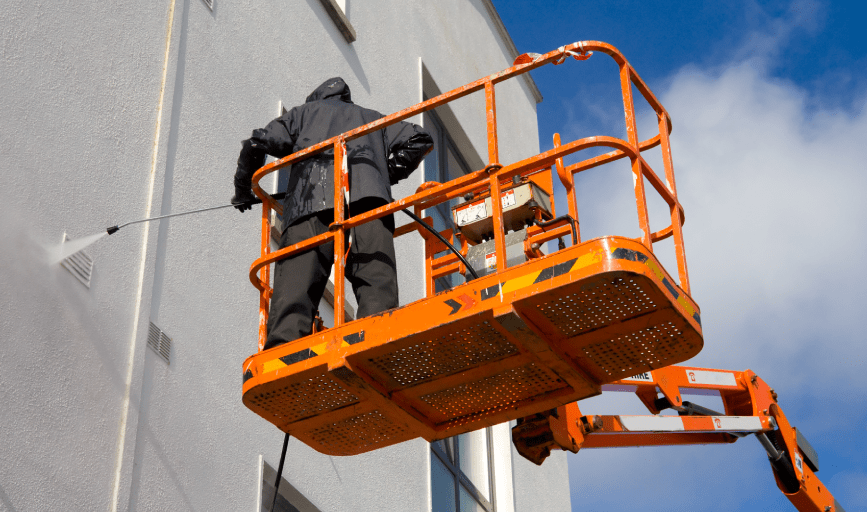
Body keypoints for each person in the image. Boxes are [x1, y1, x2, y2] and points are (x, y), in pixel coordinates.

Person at [232, 77, 433, 353]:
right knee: (376, 282)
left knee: (296, 283)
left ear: (316, 98)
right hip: (368, 201)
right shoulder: (373, 119)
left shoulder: (304, 114)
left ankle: (284, 350)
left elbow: (257, 143)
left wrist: (243, 190)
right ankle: (377, 338)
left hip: (309, 202)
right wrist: (380, 175)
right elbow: (420, 139)